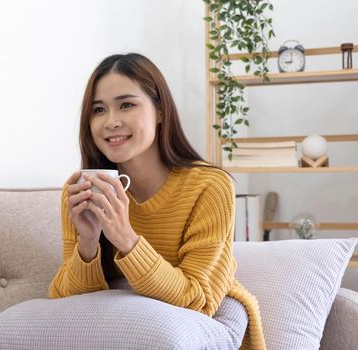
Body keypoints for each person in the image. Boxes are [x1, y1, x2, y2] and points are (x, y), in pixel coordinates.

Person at [49, 53, 265, 349]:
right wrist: (88, 244)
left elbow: (198, 302)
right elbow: (64, 302)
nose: (111, 122)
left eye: (126, 104)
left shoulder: (209, 187)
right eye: (98, 110)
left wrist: (126, 238)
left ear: (160, 111)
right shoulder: (80, 191)